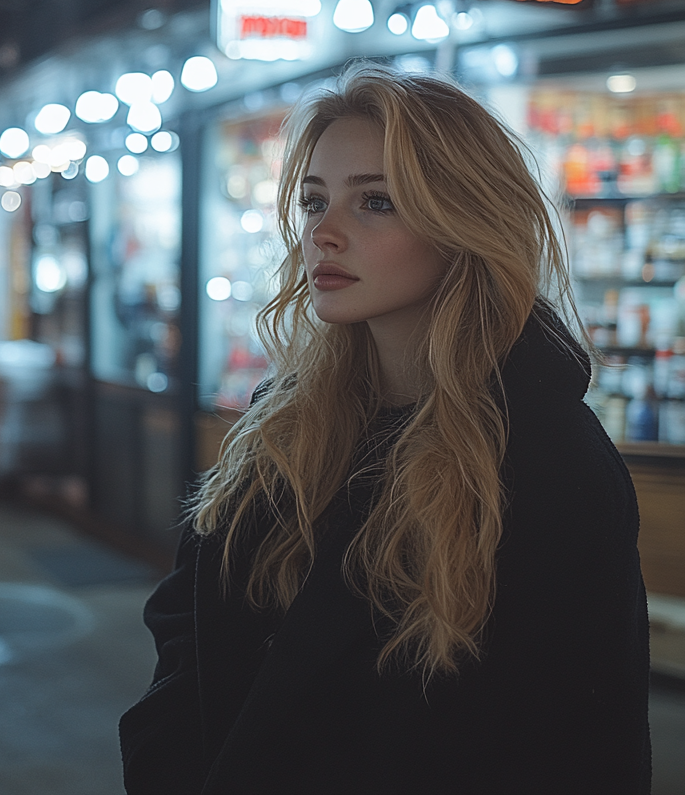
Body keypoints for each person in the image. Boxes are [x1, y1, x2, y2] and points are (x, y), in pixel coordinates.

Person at [119, 66, 651, 795]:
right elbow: (187, 624)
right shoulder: (287, 416)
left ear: (463, 218)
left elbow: (580, 744)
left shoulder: (550, 458)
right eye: (313, 201)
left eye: (375, 202)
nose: (324, 233)